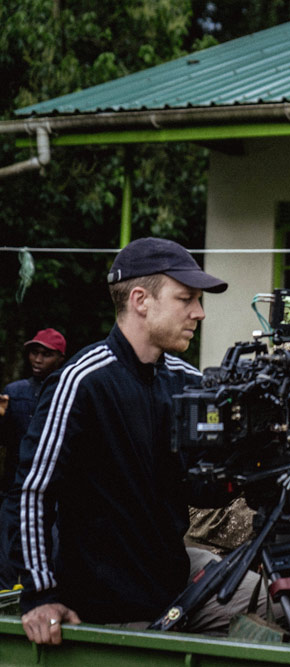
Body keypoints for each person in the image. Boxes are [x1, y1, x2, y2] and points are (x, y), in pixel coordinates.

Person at [0, 237, 260, 644]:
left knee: (288, 602)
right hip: (110, 606)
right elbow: (32, 492)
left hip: (176, 581)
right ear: (141, 300)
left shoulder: (186, 381)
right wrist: (39, 594)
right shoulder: (80, 381)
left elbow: (206, 479)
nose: (199, 312)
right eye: (186, 299)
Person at [0, 328, 66, 496]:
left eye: (46, 354)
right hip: (15, 484)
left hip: (54, 486)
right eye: (34, 353)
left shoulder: (67, 392)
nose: (38, 360)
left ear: (60, 358)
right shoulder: (15, 392)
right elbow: (6, 440)